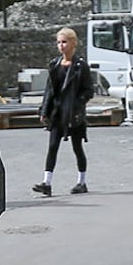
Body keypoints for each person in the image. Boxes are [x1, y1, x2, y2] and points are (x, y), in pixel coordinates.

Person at [33, 26, 93, 196]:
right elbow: (49, 90)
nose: (61, 45)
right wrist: (44, 111)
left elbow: (88, 91)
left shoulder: (81, 66)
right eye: (59, 42)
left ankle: (81, 182)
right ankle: (46, 183)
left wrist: (77, 103)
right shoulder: (54, 64)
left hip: (74, 114)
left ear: (73, 43)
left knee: (77, 148)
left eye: (64, 42)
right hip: (57, 113)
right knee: (52, 147)